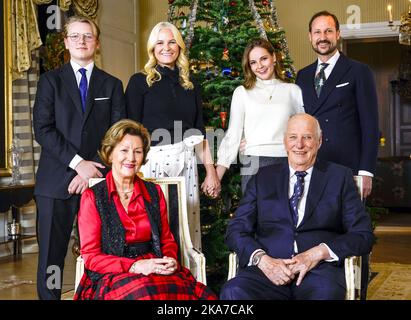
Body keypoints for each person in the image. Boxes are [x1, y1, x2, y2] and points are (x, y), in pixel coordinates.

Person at [220, 114, 374, 300]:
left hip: (319, 271)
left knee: (326, 294)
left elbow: (363, 235)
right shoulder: (263, 177)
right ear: (285, 141)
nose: (299, 145)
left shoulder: (339, 177)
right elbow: (236, 230)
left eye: (307, 137)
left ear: (319, 141)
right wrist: (263, 260)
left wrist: (317, 253)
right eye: (293, 137)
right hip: (267, 270)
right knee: (234, 291)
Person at [33, 16, 125, 300]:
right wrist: (78, 165)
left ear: (97, 43)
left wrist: (91, 171)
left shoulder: (112, 85)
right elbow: (43, 129)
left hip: (99, 181)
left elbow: (117, 134)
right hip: (55, 182)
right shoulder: (50, 81)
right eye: (75, 36)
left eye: (87, 36)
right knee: (52, 256)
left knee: (104, 252)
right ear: (66, 42)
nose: (81, 41)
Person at [73, 119, 217, 300]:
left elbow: (167, 241)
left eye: (138, 152)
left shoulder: (154, 192)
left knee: (201, 296)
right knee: (144, 292)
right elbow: (92, 257)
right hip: (111, 274)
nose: (131, 158)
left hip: (154, 266)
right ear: (110, 154)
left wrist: (170, 259)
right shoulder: (92, 197)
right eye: (124, 150)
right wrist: (135, 266)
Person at [125, 21, 220, 251]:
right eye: (159, 42)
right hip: (150, 164)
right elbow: (130, 131)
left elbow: (199, 133)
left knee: (184, 227)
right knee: (154, 227)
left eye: (171, 42)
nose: (166, 48)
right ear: (152, 48)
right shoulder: (139, 82)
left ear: (179, 46)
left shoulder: (191, 84)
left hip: (186, 164)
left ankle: (185, 279)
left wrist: (211, 172)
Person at [295, 11, 379, 199]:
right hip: (312, 165)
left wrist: (366, 171)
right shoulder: (303, 75)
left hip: (348, 167)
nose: (322, 38)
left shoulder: (358, 71)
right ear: (310, 36)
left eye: (328, 31)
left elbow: (370, 125)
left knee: (349, 226)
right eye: (317, 32)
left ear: (338, 34)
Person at [212, 38, 304, 192]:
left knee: (286, 215)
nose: (259, 66)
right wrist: (216, 176)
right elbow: (233, 135)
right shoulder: (242, 93)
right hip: (253, 163)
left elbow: (304, 129)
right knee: (254, 215)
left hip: (287, 161)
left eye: (264, 59)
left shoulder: (293, 90)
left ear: (273, 57)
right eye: (253, 62)